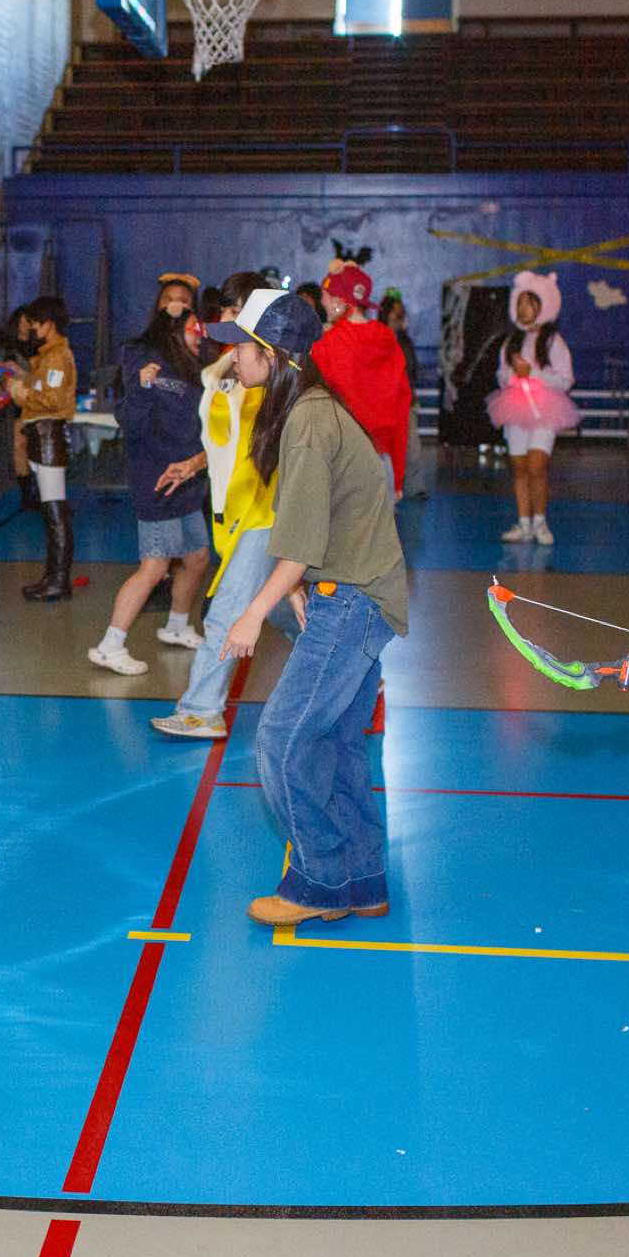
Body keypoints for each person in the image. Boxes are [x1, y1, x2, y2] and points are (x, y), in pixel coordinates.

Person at [213, 289, 409, 928]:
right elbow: (318, 519)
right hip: (363, 593)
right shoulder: (311, 409)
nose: (233, 358)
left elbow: (297, 548)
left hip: (351, 601)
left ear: (272, 354)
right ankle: (362, 878)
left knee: (281, 740)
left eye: (241, 347)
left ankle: (320, 882)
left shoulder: (307, 421)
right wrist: (298, 589)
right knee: (340, 744)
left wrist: (254, 612)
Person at [151, 272, 298, 738]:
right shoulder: (221, 370)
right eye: (228, 311)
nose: (229, 320)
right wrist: (194, 464)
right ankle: (352, 669)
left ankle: (201, 710)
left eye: (238, 311)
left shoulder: (276, 373)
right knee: (282, 610)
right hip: (228, 511)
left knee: (226, 612)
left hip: (264, 511)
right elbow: (227, 440)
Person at [89, 276, 211, 675]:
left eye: (184, 301)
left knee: (196, 557)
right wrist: (142, 386)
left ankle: (177, 625)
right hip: (155, 477)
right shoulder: (139, 353)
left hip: (189, 477)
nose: (176, 306)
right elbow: (129, 419)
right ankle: (110, 645)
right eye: (169, 300)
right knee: (155, 566)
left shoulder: (196, 359)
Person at [486, 271, 578, 544]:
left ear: (543, 305)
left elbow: (566, 379)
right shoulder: (510, 342)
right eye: (520, 303)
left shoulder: (553, 342)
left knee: (537, 465)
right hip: (515, 408)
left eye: (529, 303)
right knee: (519, 466)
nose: (523, 308)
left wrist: (533, 374)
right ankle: (523, 523)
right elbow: (501, 375)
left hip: (545, 410)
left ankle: (540, 521)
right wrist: (513, 375)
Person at [311, 246, 412, 497]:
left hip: (342, 464)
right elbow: (402, 408)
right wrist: (398, 477)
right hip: (382, 462)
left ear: (340, 301)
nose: (322, 301)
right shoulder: (388, 340)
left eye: (326, 295)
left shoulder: (325, 346)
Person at [7, 296, 78, 601]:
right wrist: (23, 381)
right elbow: (43, 389)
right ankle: (53, 575)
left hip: (49, 436)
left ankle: (59, 580)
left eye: (36, 322)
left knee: (54, 509)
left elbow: (51, 399)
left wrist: (19, 391)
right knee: (51, 511)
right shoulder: (47, 356)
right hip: (40, 436)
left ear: (49, 323)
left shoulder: (58, 356)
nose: (33, 328)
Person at [380, 288, 428, 498]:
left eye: (400, 311)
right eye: (395, 311)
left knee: (412, 445)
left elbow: (411, 369)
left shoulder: (404, 340)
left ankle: (414, 486)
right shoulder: (378, 337)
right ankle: (388, 487)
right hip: (384, 399)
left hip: (404, 398)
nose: (399, 315)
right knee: (386, 447)